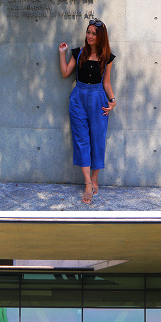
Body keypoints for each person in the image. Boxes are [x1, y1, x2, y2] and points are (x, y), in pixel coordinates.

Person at [58, 19, 116, 204]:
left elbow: (106, 82)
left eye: (93, 33)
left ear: (100, 37)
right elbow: (66, 73)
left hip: (98, 99)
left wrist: (113, 100)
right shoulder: (78, 53)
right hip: (78, 99)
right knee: (81, 140)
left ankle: (96, 177)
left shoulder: (107, 58)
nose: (89, 36)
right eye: (88, 32)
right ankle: (88, 184)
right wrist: (62, 54)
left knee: (97, 139)